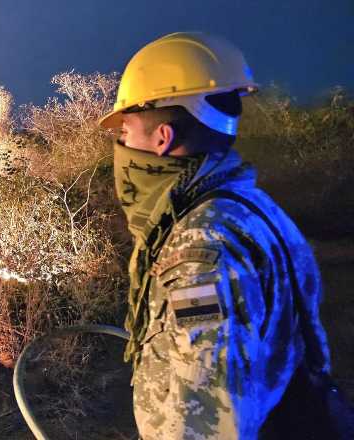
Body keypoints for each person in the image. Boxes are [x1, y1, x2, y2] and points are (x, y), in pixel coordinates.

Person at [99, 32, 337, 439]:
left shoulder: (200, 250)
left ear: (162, 138)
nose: (121, 144)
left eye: (127, 130)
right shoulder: (253, 208)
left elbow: (208, 417)